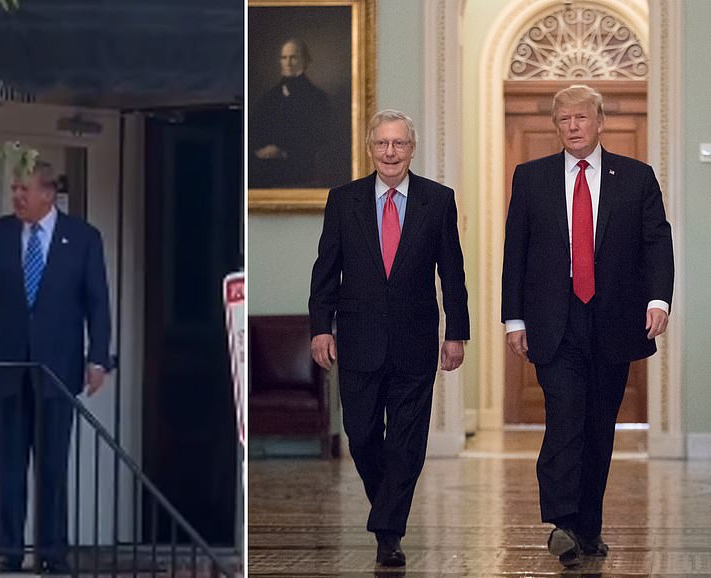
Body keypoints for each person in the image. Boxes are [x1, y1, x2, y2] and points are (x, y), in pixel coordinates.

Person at [501, 84, 673, 568]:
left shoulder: (636, 177)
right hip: (553, 322)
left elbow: (656, 242)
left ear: (600, 121)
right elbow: (516, 252)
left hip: (614, 319)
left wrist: (659, 299)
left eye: (581, 117)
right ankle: (561, 522)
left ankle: (587, 529)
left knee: (599, 426)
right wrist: (514, 318)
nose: (573, 126)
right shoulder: (531, 177)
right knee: (565, 414)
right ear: (556, 127)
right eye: (563, 120)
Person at [0, 161, 112, 573]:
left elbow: (98, 301)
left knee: (52, 468)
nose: (16, 197)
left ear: (48, 194)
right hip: (6, 368)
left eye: (23, 189)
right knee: (7, 467)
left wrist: (99, 358)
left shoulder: (82, 238)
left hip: (56, 370)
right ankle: (8, 553)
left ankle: (52, 554)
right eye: (13, 189)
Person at [309, 109, 470, 567]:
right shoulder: (344, 200)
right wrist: (321, 327)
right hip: (357, 340)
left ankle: (388, 533)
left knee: (406, 443)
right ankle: (388, 510)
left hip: (416, 341)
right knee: (360, 436)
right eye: (382, 144)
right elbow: (326, 270)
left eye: (399, 144)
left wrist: (456, 332)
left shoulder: (437, 200)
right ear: (370, 148)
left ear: (412, 148)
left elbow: (452, 273)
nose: (390, 152)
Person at [250, 37, 336, 188]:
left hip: (301, 171)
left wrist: (283, 151)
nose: (288, 62)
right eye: (284, 57)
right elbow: (254, 130)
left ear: (305, 61)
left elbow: (319, 138)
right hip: (265, 170)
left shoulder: (318, 98)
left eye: (293, 57)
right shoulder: (268, 97)